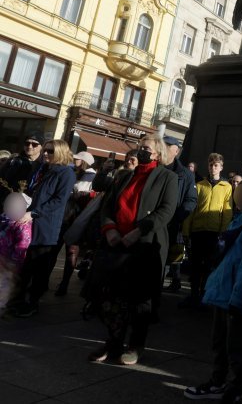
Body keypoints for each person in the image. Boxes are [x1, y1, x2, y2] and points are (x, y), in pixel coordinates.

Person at [184, 176, 242, 403]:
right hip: (223, 295)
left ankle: (232, 388)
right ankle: (220, 382)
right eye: (238, 193)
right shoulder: (238, 222)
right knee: (220, 344)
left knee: (235, 348)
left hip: (234, 299)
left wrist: (238, 298)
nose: (239, 198)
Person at [91, 134, 178, 365]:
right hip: (117, 243)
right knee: (113, 296)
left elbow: (167, 210)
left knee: (141, 299)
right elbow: (108, 205)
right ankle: (113, 342)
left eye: (146, 148)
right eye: (140, 148)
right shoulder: (125, 176)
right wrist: (110, 229)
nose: (141, 152)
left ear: (157, 153)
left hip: (145, 245)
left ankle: (136, 345)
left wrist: (138, 231)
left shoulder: (167, 177)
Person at [9, 139, 76, 317]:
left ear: (60, 152)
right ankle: (18, 299)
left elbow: (58, 201)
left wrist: (33, 213)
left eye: (50, 151)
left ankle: (32, 303)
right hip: (29, 223)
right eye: (45, 150)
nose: (46, 153)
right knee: (26, 265)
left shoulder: (66, 173)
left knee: (39, 268)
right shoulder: (43, 169)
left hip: (46, 227)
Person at [181, 153, 233, 308]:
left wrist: (223, 232)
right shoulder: (200, 185)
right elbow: (192, 209)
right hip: (198, 231)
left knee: (209, 265)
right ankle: (193, 295)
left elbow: (227, 211)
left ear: (221, 167)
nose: (213, 167)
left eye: (216, 165)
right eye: (211, 164)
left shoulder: (227, 187)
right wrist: (186, 230)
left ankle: (205, 295)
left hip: (214, 232)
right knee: (195, 265)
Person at [52, 151, 97, 296]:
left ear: (84, 162)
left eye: (77, 159)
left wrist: (81, 196)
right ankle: (55, 282)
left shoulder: (93, 177)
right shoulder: (73, 173)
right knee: (56, 249)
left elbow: (92, 199)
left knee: (71, 251)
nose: (74, 160)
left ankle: (64, 284)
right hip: (65, 216)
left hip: (77, 218)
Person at [161, 136, 197, 293]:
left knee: (168, 260)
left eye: (167, 146)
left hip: (171, 225)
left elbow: (191, 200)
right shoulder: (154, 168)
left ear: (176, 151)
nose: (163, 149)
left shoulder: (186, 175)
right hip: (149, 223)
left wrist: (176, 217)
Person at [0, 192, 32, 314]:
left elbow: (22, 245)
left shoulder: (23, 224)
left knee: (4, 285)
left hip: (9, 261)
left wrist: (15, 263)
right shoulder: (4, 218)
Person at [0, 132, 43, 207]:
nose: (29, 146)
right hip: (8, 202)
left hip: (30, 207)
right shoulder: (13, 161)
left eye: (34, 144)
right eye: (27, 143)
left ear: (41, 146)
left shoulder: (44, 165)